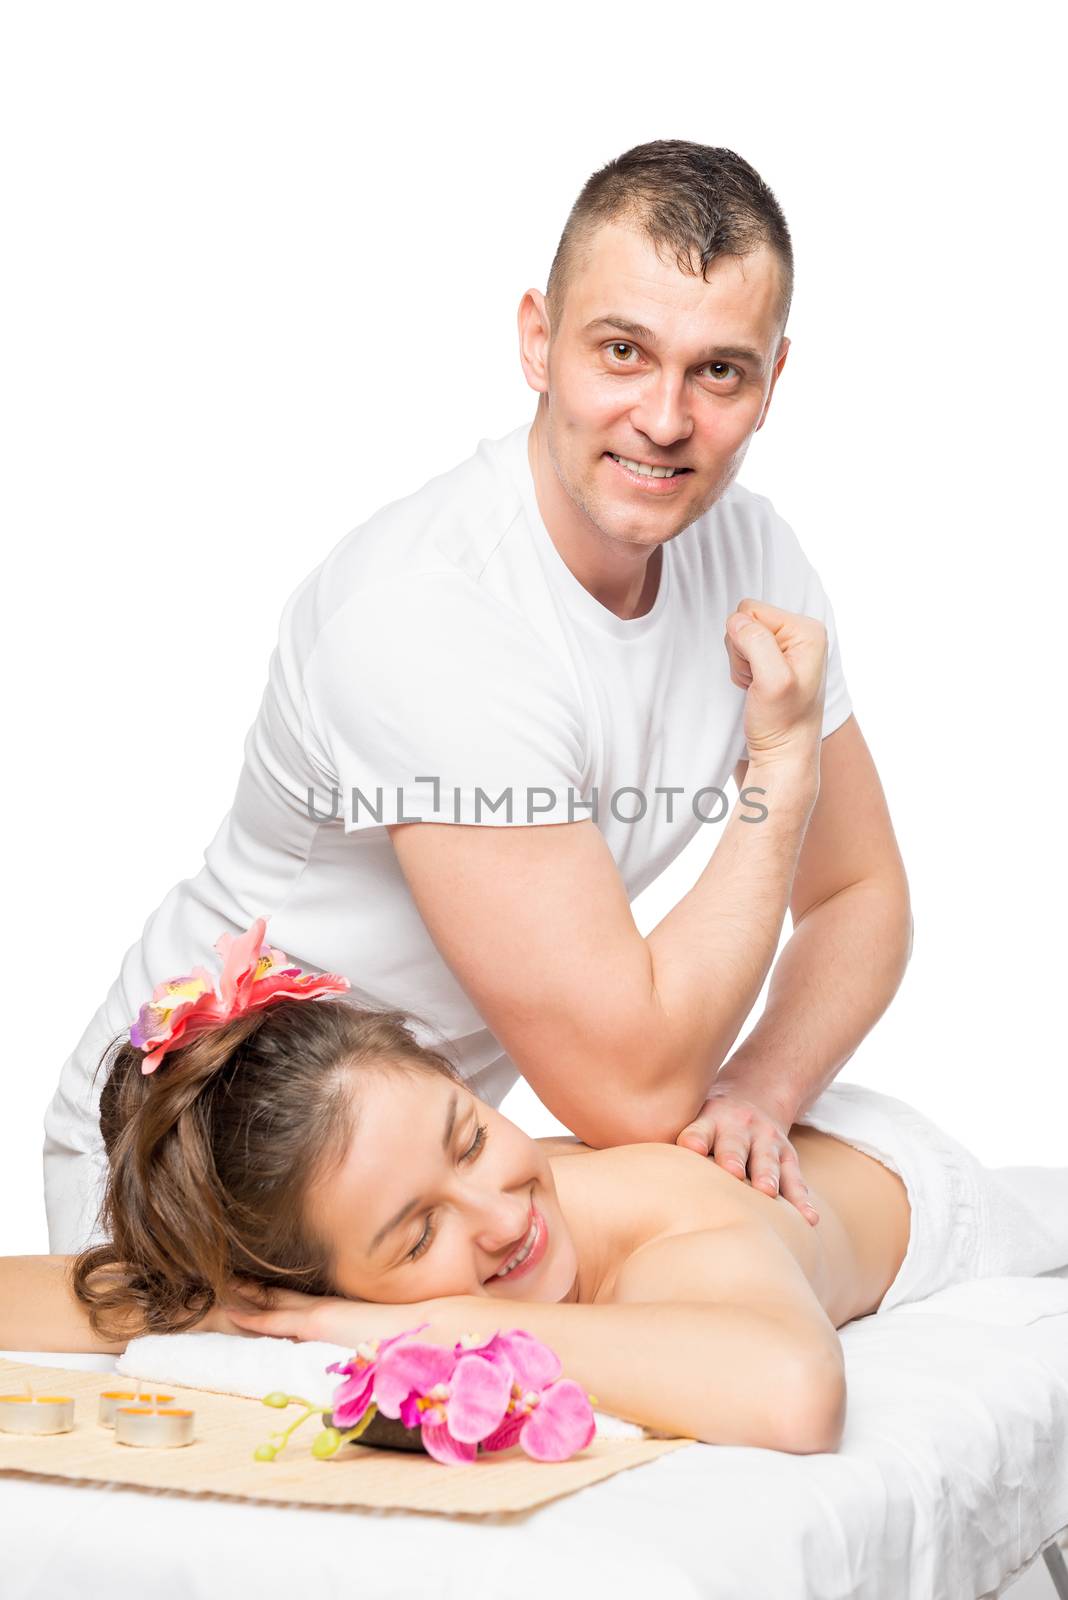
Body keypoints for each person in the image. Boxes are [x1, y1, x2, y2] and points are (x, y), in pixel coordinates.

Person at [44, 139, 912, 1257]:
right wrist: (780, 773)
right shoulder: (433, 617)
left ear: (773, 382)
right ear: (537, 342)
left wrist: (759, 1088)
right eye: (621, 351)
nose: (662, 418)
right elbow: (630, 1090)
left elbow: (862, 893)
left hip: (422, 1161)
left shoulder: (755, 553)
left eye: (718, 372)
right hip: (206, 1153)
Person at [8, 930, 1067, 1453]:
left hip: (913, 1185)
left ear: (464, 1087)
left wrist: (411, 1310)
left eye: (470, 1137)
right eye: (418, 1229)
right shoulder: (302, 1264)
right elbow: (68, 1291)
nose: (504, 1215)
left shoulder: (667, 1227)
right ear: (307, 1274)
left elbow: (795, 1393)